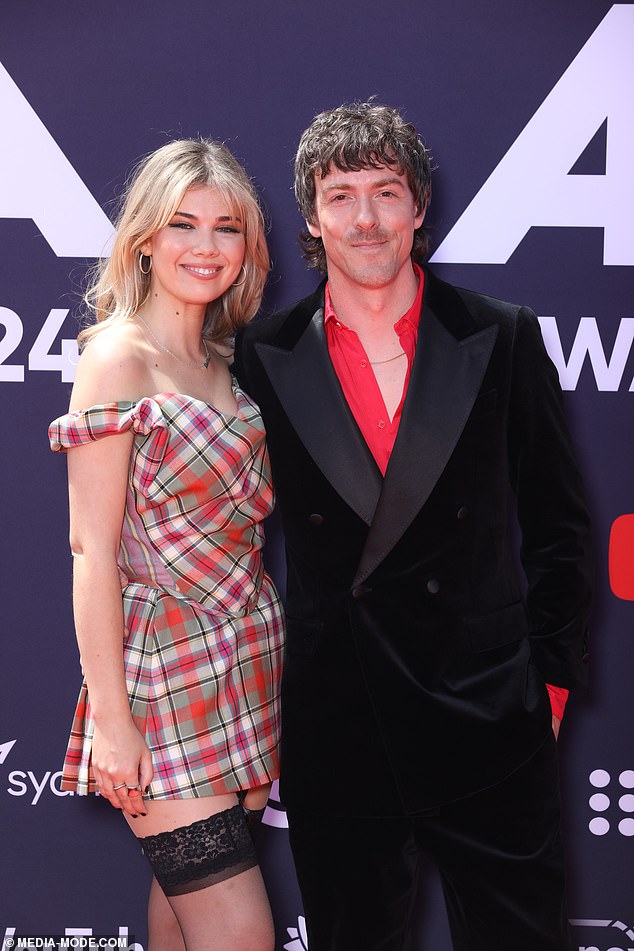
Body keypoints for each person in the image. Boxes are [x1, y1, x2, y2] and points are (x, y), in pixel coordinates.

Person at [233, 102, 593, 951]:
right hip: (340, 727)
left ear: (419, 206)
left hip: (490, 724)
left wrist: (547, 686)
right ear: (311, 217)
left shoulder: (498, 334)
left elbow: (560, 527)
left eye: (386, 193)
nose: (366, 218)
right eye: (342, 195)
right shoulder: (262, 355)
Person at [49, 138, 284, 951]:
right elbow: (91, 549)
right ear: (145, 237)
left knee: (182, 907)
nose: (205, 247)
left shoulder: (225, 360)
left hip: (246, 661)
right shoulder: (119, 356)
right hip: (164, 671)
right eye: (183, 224)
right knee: (241, 933)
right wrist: (110, 718)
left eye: (226, 229)